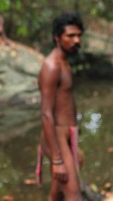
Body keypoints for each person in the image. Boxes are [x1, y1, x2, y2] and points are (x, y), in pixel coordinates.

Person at [36, 11, 85, 201]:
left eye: (79, 35)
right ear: (57, 37)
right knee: (74, 196)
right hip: (55, 135)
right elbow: (46, 114)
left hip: (67, 133)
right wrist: (57, 160)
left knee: (57, 194)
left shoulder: (65, 62)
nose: (76, 40)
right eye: (70, 36)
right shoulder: (51, 66)